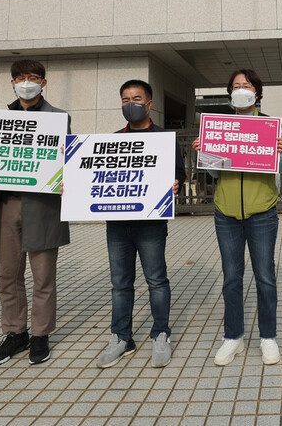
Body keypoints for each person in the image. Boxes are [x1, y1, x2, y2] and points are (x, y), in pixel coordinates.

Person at [0, 59, 71, 366]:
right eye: (20, 78)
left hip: (43, 206)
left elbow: (68, 162)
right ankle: (14, 332)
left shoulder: (58, 118)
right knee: (8, 275)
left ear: (43, 83)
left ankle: (40, 335)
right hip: (5, 205)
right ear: (12, 83)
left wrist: (66, 160)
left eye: (33, 78)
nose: (26, 83)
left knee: (43, 276)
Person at [191, 68, 282, 366]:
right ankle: (232, 336)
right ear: (230, 92)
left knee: (265, 277)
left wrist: (279, 153)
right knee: (232, 278)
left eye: (246, 85)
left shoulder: (270, 125)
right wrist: (204, 152)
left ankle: (268, 336)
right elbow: (215, 172)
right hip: (227, 212)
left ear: (256, 92)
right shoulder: (219, 126)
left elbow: (281, 168)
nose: (241, 89)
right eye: (235, 85)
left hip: (262, 211)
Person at [97, 79, 186, 369]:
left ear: (149, 104)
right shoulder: (110, 142)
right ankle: (121, 337)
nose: (130, 104)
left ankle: (161, 334)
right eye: (125, 99)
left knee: (156, 280)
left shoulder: (164, 139)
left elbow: (179, 173)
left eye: (136, 98)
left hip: (150, 223)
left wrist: (176, 184)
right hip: (117, 223)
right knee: (120, 283)